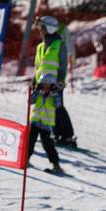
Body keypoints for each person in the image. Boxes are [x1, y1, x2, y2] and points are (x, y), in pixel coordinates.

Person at [28, 16, 64, 174]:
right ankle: (25, 159)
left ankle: (56, 163)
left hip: (52, 90)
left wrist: (59, 85)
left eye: (41, 27)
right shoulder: (40, 47)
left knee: (45, 137)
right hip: (39, 89)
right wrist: (33, 83)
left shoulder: (59, 45)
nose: (39, 30)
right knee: (31, 133)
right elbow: (37, 68)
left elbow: (62, 68)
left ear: (49, 28)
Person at [52, 18, 77, 147]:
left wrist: (72, 57)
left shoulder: (61, 29)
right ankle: (56, 132)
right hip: (48, 76)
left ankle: (67, 135)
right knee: (51, 104)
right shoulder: (46, 35)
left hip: (58, 75)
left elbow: (70, 47)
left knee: (57, 104)